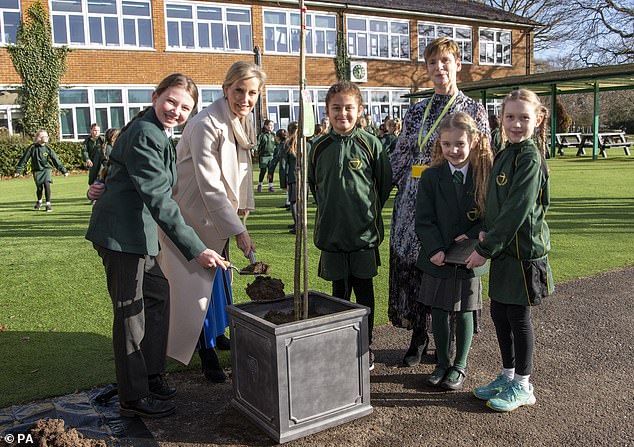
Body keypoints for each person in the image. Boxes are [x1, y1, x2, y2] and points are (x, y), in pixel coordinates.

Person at [86, 73, 226, 419]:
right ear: (155, 96)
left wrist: (101, 184)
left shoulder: (155, 131)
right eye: (171, 101)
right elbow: (160, 201)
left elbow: (117, 170)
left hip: (138, 236)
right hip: (122, 238)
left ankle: (150, 373)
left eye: (185, 108)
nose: (176, 111)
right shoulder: (146, 133)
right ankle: (133, 394)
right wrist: (199, 249)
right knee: (131, 313)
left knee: (157, 295)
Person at [156, 61, 262, 383]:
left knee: (219, 282)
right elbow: (210, 183)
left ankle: (217, 335)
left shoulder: (238, 121)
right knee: (196, 288)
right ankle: (206, 352)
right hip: (193, 218)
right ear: (225, 89)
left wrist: (238, 217)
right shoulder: (205, 124)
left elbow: (236, 177)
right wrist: (239, 230)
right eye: (239, 90)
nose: (245, 98)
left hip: (218, 217)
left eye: (252, 92)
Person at [389, 37, 490, 367]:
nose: (438, 68)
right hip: (414, 202)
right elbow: (401, 154)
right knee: (416, 270)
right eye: (432, 63)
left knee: (452, 268)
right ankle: (419, 335)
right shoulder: (417, 110)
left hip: (456, 201)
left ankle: (449, 344)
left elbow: (483, 156)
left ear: (457, 65)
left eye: (445, 61)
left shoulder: (473, 109)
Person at [467, 89, 553, 412]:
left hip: (523, 253)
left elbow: (518, 209)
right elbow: (496, 202)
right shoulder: (505, 152)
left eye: (524, 118)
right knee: (499, 312)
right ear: (501, 118)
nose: (516, 124)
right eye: (510, 117)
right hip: (504, 250)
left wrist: (485, 248)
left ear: (538, 119)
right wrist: (486, 228)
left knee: (518, 316)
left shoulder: (530, 157)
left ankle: (523, 385)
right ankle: (507, 375)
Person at [308, 81, 392, 371]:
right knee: (339, 294)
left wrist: (364, 214)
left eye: (348, 108)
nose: (342, 114)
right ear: (327, 111)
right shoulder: (318, 147)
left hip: (363, 236)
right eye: (336, 108)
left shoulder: (371, 143)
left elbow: (383, 185)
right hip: (332, 236)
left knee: (364, 292)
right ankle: (341, 344)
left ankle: (364, 347)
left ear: (359, 110)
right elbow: (314, 187)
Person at [415, 112, 493, 390]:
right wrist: (434, 248)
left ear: (472, 141)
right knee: (438, 310)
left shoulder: (485, 173)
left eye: (459, 144)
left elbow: (490, 215)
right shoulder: (431, 176)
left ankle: (459, 365)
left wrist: (473, 235)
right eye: (447, 144)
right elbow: (423, 218)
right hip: (438, 256)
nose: (453, 150)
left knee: (465, 311)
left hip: (469, 256)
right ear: (440, 144)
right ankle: (442, 363)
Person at [14, 130, 69, 212]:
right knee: (39, 188)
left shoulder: (48, 149)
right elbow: (24, 159)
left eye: (47, 136)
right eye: (44, 136)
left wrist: (64, 171)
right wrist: (18, 171)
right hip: (37, 171)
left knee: (47, 184)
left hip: (46, 169)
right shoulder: (32, 148)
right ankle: (39, 201)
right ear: (39, 138)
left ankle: (48, 204)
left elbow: (56, 160)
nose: (46, 138)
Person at [280, 122, 298, 234]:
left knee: (294, 202)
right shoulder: (306, 143)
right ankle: (299, 224)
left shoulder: (287, 144)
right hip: (304, 178)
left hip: (293, 176)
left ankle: (298, 226)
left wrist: (283, 182)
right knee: (301, 202)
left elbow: (283, 165)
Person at [256, 119, 276, 192]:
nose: (271, 127)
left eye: (272, 126)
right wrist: (253, 149)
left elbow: (277, 145)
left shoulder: (274, 135)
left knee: (271, 171)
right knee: (263, 171)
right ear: (265, 126)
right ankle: (260, 185)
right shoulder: (261, 135)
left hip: (272, 156)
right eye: (270, 125)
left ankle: (270, 186)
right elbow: (257, 144)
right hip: (263, 156)